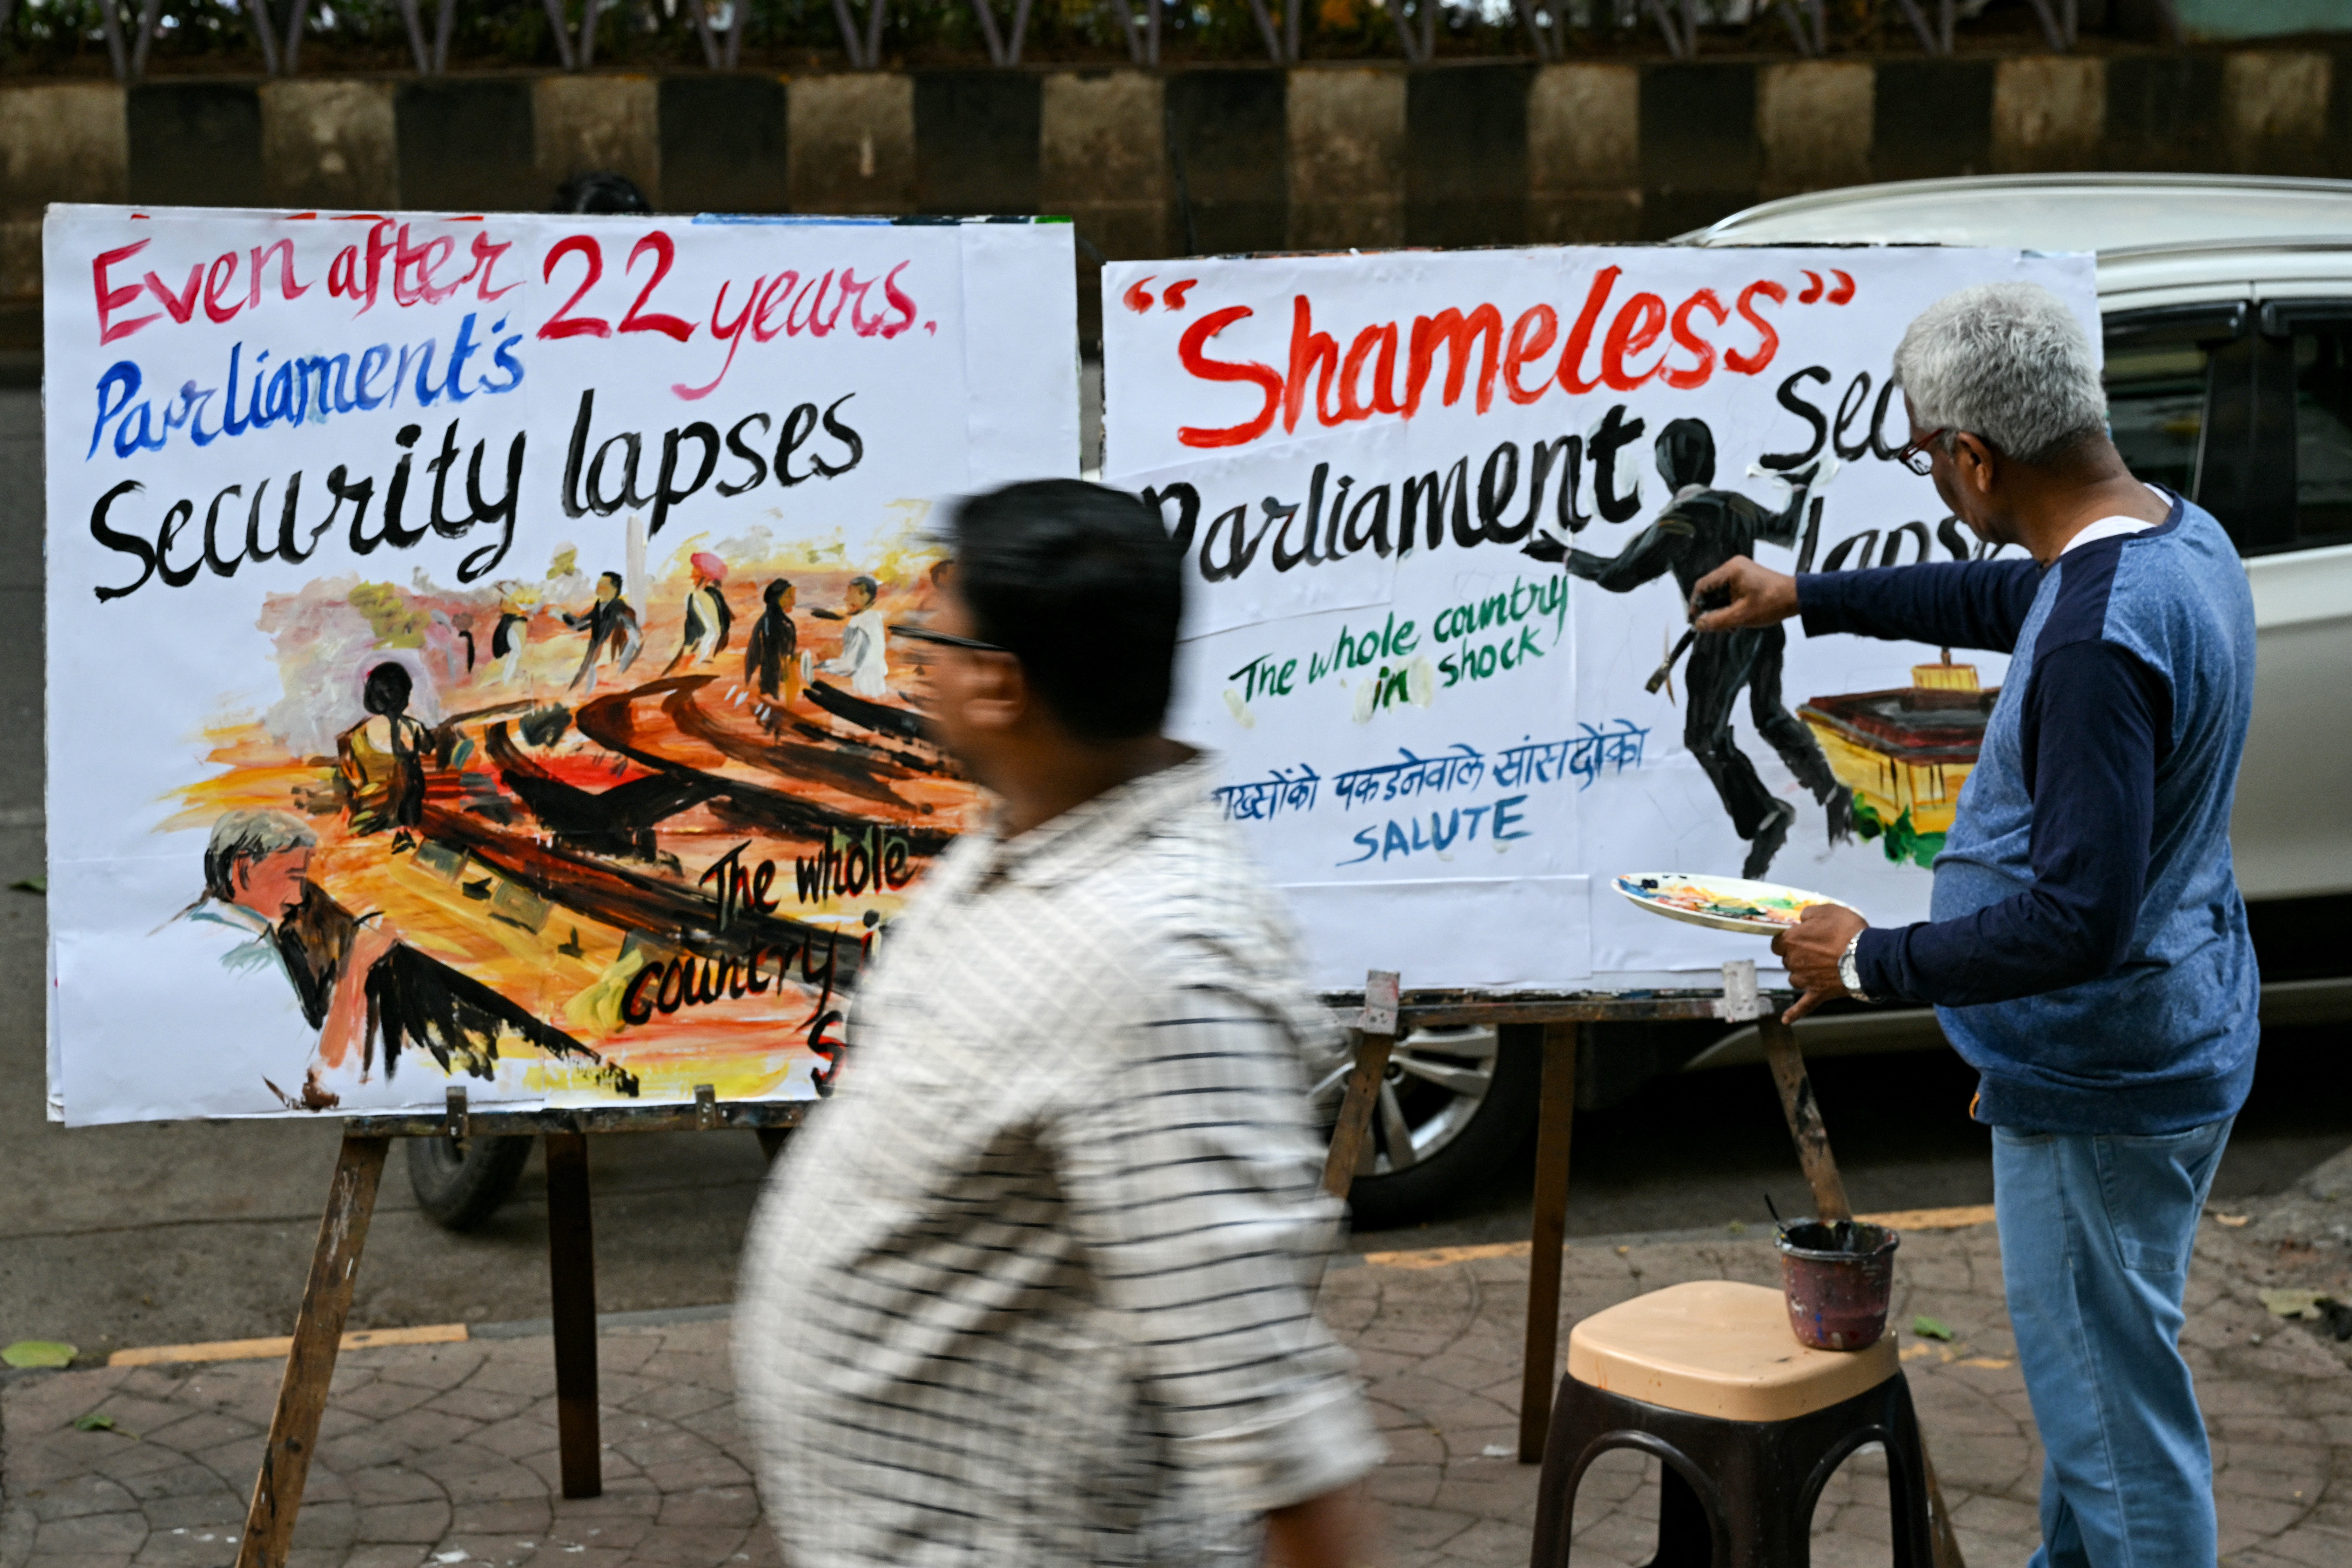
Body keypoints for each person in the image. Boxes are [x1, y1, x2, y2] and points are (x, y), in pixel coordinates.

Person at [1694, 282, 2257, 1568]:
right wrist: (1806, 596)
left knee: (2120, 1437)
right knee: (2100, 1406)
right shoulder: (2176, 542)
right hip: (2173, 1030)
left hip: (2096, 1076)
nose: (1935, 480)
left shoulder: (2096, 643)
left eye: (1924, 456)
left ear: (1971, 455)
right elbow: (2007, 601)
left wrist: (1865, 958)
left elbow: (2078, 921)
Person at [736, 480, 1380, 1568]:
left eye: (933, 636)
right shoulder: (1028, 837)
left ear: (997, 684)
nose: (916, 659)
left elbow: (1267, 1404)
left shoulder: (1158, 968)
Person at [1563, 418, 1842, 877]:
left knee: (1703, 737)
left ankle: (1765, 817)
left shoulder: (1675, 522)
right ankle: (1831, 792)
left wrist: (1567, 556)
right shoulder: (1732, 504)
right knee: (1768, 714)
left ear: (1665, 470)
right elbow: (1785, 531)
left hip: (1719, 636)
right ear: (1708, 462)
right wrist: (1798, 491)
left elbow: (1617, 575)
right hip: (1765, 624)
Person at [156, 810, 398, 1112]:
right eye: (293, 877)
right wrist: (357, 968)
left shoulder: (196, 927)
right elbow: (309, 1085)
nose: (299, 898)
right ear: (244, 869)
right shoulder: (246, 955)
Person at [338, 661, 434, 840]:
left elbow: (351, 782)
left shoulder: (355, 736)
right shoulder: (413, 728)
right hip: (406, 821)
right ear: (403, 695)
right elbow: (429, 747)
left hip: (366, 819)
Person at [563, 571, 642, 693]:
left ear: (614, 590)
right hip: (596, 650)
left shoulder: (621, 609)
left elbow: (635, 637)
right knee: (585, 673)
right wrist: (563, 616)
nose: (598, 587)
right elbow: (580, 624)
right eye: (599, 584)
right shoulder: (599, 607)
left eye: (603, 585)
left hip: (611, 658)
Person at [813, 573, 889, 699]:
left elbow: (851, 665)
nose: (846, 599)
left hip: (867, 686)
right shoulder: (867, 619)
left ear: (864, 595)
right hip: (868, 683)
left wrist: (822, 665)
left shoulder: (865, 624)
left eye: (851, 594)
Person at [664, 552, 734, 674]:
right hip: (695, 646)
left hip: (699, 650)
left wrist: (701, 655)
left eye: (696, 571)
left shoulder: (702, 597)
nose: (692, 574)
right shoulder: (694, 596)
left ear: (705, 575)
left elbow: (710, 630)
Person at [743, 577, 798, 715]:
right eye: (790, 596)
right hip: (773, 674)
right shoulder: (778, 623)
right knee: (773, 699)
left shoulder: (770, 620)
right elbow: (774, 653)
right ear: (779, 598)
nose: (794, 601)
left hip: (773, 673)